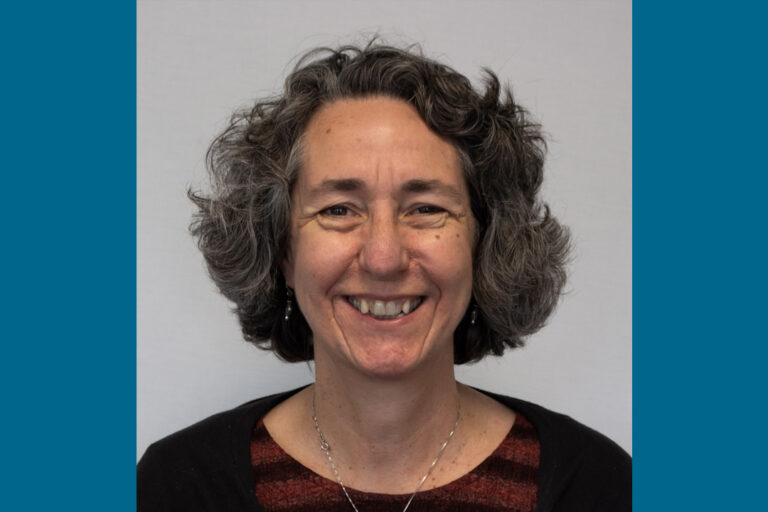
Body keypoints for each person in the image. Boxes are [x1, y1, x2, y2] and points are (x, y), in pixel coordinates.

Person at [137, 42, 631, 511]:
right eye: (338, 209)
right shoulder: (176, 487)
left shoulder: (601, 488)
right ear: (282, 249)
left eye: (426, 208)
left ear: (484, 244)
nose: (383, 257)